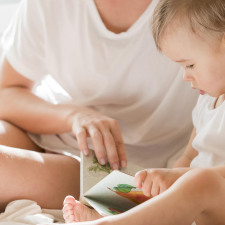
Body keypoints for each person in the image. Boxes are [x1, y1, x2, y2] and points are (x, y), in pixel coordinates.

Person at [0, 0, 197, 212]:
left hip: (129, 169)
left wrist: (184, 167)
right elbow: (7, 93)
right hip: (52, 128)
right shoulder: (46, 5)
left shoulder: (192, 8)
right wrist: (74, 116)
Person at [59, 0, 225, 224]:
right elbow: (187, 157)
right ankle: (101, 213)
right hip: (195, 206)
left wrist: (179, 178)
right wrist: (162, 181)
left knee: (202, 180)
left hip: (212, 199)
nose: (185, 76)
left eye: (190, 65)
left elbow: (208, 178)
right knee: (144, 183)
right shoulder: (207, 101)